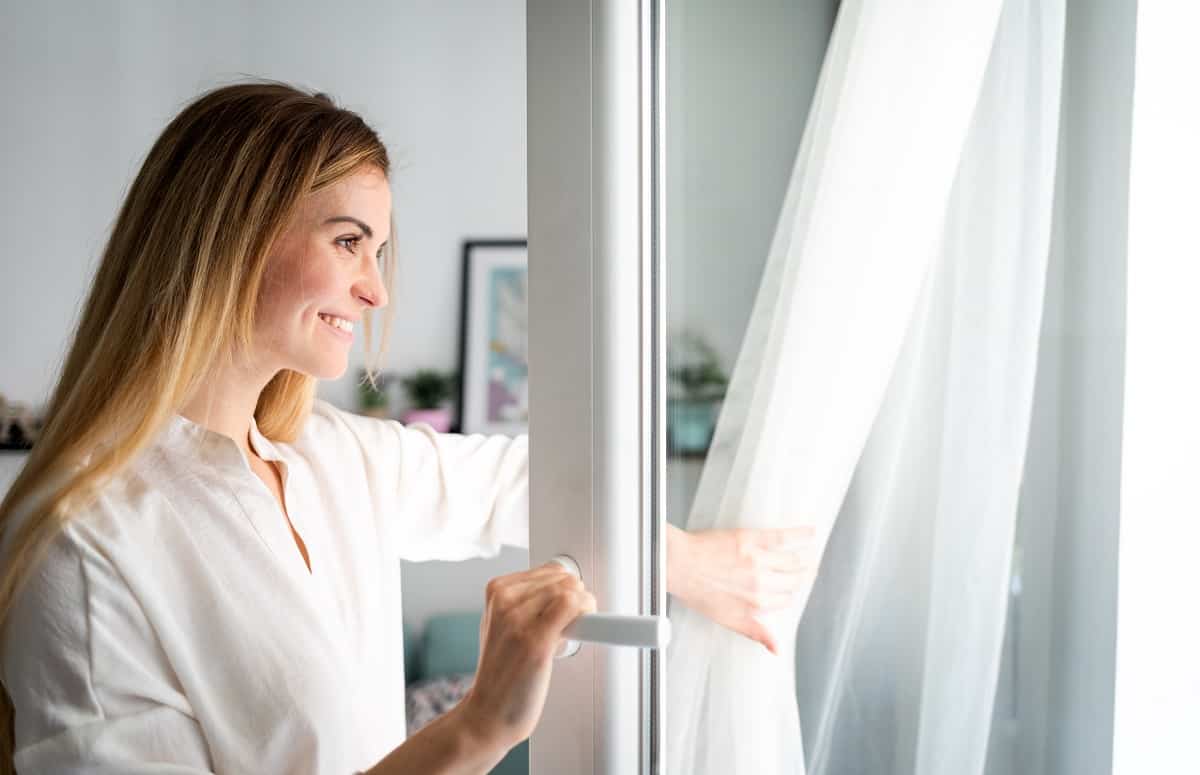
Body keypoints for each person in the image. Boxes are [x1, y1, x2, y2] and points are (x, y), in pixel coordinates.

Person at [0, 80, 817, 774]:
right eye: (349, 241)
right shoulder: (83, 546)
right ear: (229, 234)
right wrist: (479, 724)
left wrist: (691, 561)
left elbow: (521, 483)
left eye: (378, 252)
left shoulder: (330, 457)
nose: (375, 291)